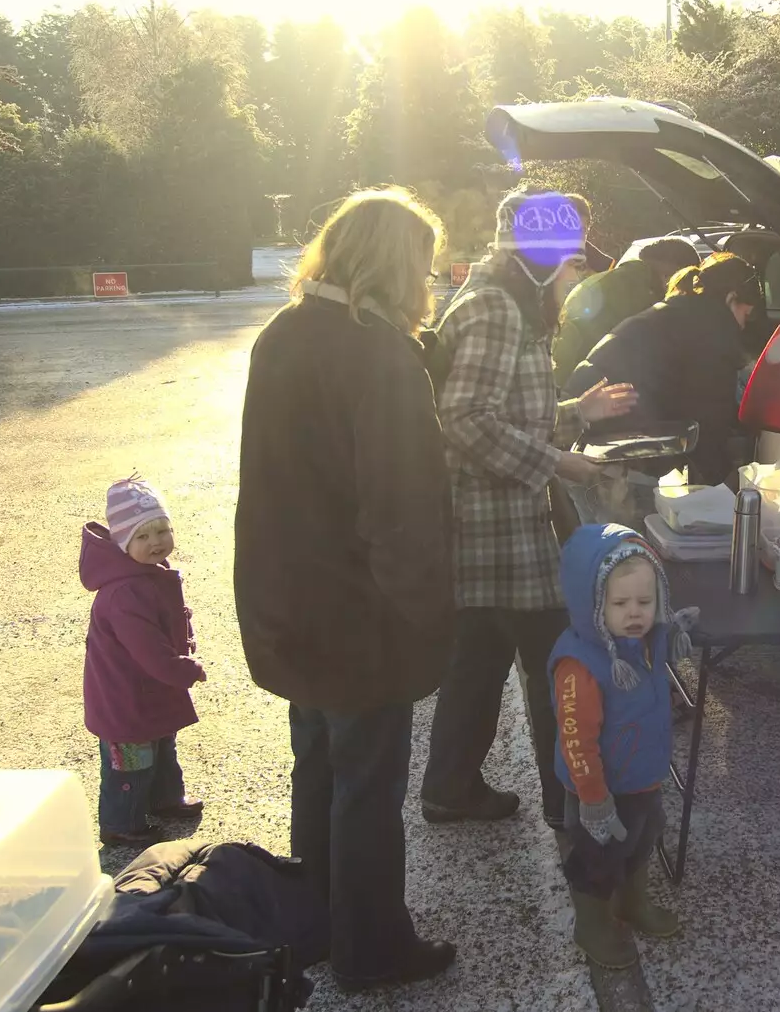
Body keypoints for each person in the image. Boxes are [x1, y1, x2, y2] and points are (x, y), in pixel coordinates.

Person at [234, 187, 457, 990]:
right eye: (425, 266)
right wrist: (428, 614)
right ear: (398, 265)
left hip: (290, 608)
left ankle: (318, 926)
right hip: (358, 617)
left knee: (318, 770)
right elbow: (400, 508)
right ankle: (374, 949)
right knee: (366, 788)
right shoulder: (379, 352)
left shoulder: (282, 333)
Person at [421, 190, 637, 830]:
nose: (574, 275)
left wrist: (577, 414)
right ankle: (571, 806)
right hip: (500, 529)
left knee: (478, 658)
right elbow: (461, 419)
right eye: (570, 261)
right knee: (556, 666)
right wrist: (557, 461)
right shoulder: (494, 308)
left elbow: (509, 412)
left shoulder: (509, 301)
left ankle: (450, 789)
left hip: (498, 525)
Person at [549, 524, 695, 968]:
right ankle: (590, 923)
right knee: (598, 857)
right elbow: (577, 740)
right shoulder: (581, 666)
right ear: (591, 604)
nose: (635, 613)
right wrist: (593, 799)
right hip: (600, 790)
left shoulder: (643, 642)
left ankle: (632, 902)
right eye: (620, 603)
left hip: (641, 778)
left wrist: (673, 630)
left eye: (646, 603)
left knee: (642, 838)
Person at [81, 475, 205, 848]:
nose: (156, 543)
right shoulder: (124, 592)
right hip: (126, 697)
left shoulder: (148, 575)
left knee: (163, 744)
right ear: (123, 543)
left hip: (148, 691)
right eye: (143, 536)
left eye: (162, 530)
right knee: (131, 763)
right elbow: (148, 650)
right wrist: (183, 668)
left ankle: (165, 800)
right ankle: (122, 822)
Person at [564, 253, 762, 487]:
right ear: (731, 298)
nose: (741, 326)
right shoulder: (712, 333)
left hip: (585, 424)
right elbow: (708, 424)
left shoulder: (679, 312)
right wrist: (730, 491)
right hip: (611, 443)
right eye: (745, 315)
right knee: (629, 515)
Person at [550, 235, 699, 387]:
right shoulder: (644, 297)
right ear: (669, 274)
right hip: (600, 393)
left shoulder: (609, 282)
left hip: (570, 385)